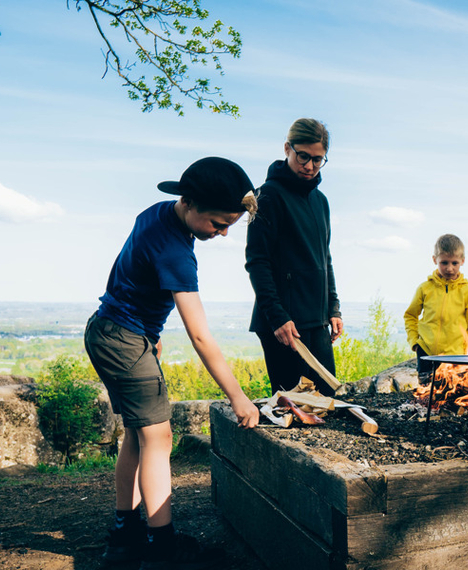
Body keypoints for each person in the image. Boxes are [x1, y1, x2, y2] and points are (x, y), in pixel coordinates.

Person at [84, 157, 261, 570]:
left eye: (230, 225)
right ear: (190, 203)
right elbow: (200, 335)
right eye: (218, 223)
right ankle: (161, 549)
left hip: (111, 329)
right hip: (125, 340)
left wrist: (151, 332)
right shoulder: (177, 253)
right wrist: (237, 397)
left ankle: (125, 535)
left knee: (138, 434)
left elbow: (126, 272)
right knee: (159, 439)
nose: (223, 233)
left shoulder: (157, 213)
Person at [245, 118, 343, 396]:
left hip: (316, 320)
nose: (310, 166)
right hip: (282, 324)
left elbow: (324, 258)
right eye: (303, 156)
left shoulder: (321, 201)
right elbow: (257, 262)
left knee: (327, 401)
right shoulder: (267, 197)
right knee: (295, 407)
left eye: (318, 159)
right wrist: (277, 318)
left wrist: (333, 308)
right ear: (287, 148)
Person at [404, 234, 468, 383]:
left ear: (462, 261)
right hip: (426, 352)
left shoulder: (467, 290)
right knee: (426, 396)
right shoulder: (425, 288)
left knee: (452, 396)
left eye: (454, 263)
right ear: (434, 260)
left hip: (456, 355)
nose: (449, 268)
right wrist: (415, 342)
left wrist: (467, 350)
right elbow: (410, 316)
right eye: (444, 262)